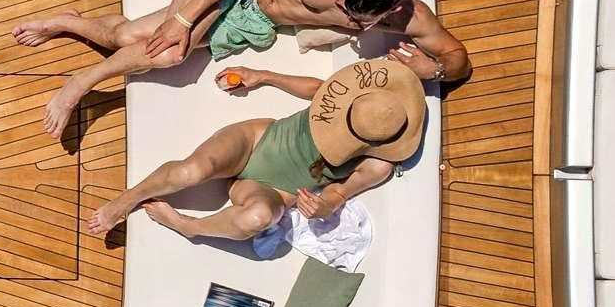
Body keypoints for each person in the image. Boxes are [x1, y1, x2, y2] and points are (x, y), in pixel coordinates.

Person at [16, 0, 471, 138]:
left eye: (353, 18)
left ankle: (69, 20)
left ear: (388, 11)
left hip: (255, 18)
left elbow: (458, 60)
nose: (338, 11)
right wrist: (183, 19)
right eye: (342, 3)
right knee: (170, 49)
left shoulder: (407, 15)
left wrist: (429, 69)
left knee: (129, 37)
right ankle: (80, 85)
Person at [82, 59, 427, 242]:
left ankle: (189, 228)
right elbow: (316, 90)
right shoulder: (358, 99)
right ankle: (126, 200)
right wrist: (260, 75)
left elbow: (339, 192)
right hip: (258, 139)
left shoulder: (379, 163)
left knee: (260, 218)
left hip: (277, 189)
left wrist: (322, 207)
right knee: (192, 172)